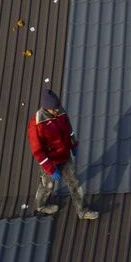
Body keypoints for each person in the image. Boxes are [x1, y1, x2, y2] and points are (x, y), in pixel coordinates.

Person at [27, 89, 98, 220]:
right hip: (51, 161)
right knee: (47, 185)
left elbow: (69, 130)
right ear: (46, 108)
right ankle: (41, 205)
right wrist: (50, 169)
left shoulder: (60, 111)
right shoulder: (37, 125)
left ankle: (83, 210)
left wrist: (73, 144)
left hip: (64, 156)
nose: (58, 111)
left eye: (58, 107)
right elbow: (38, 152)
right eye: (54, 109)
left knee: (74, 183)